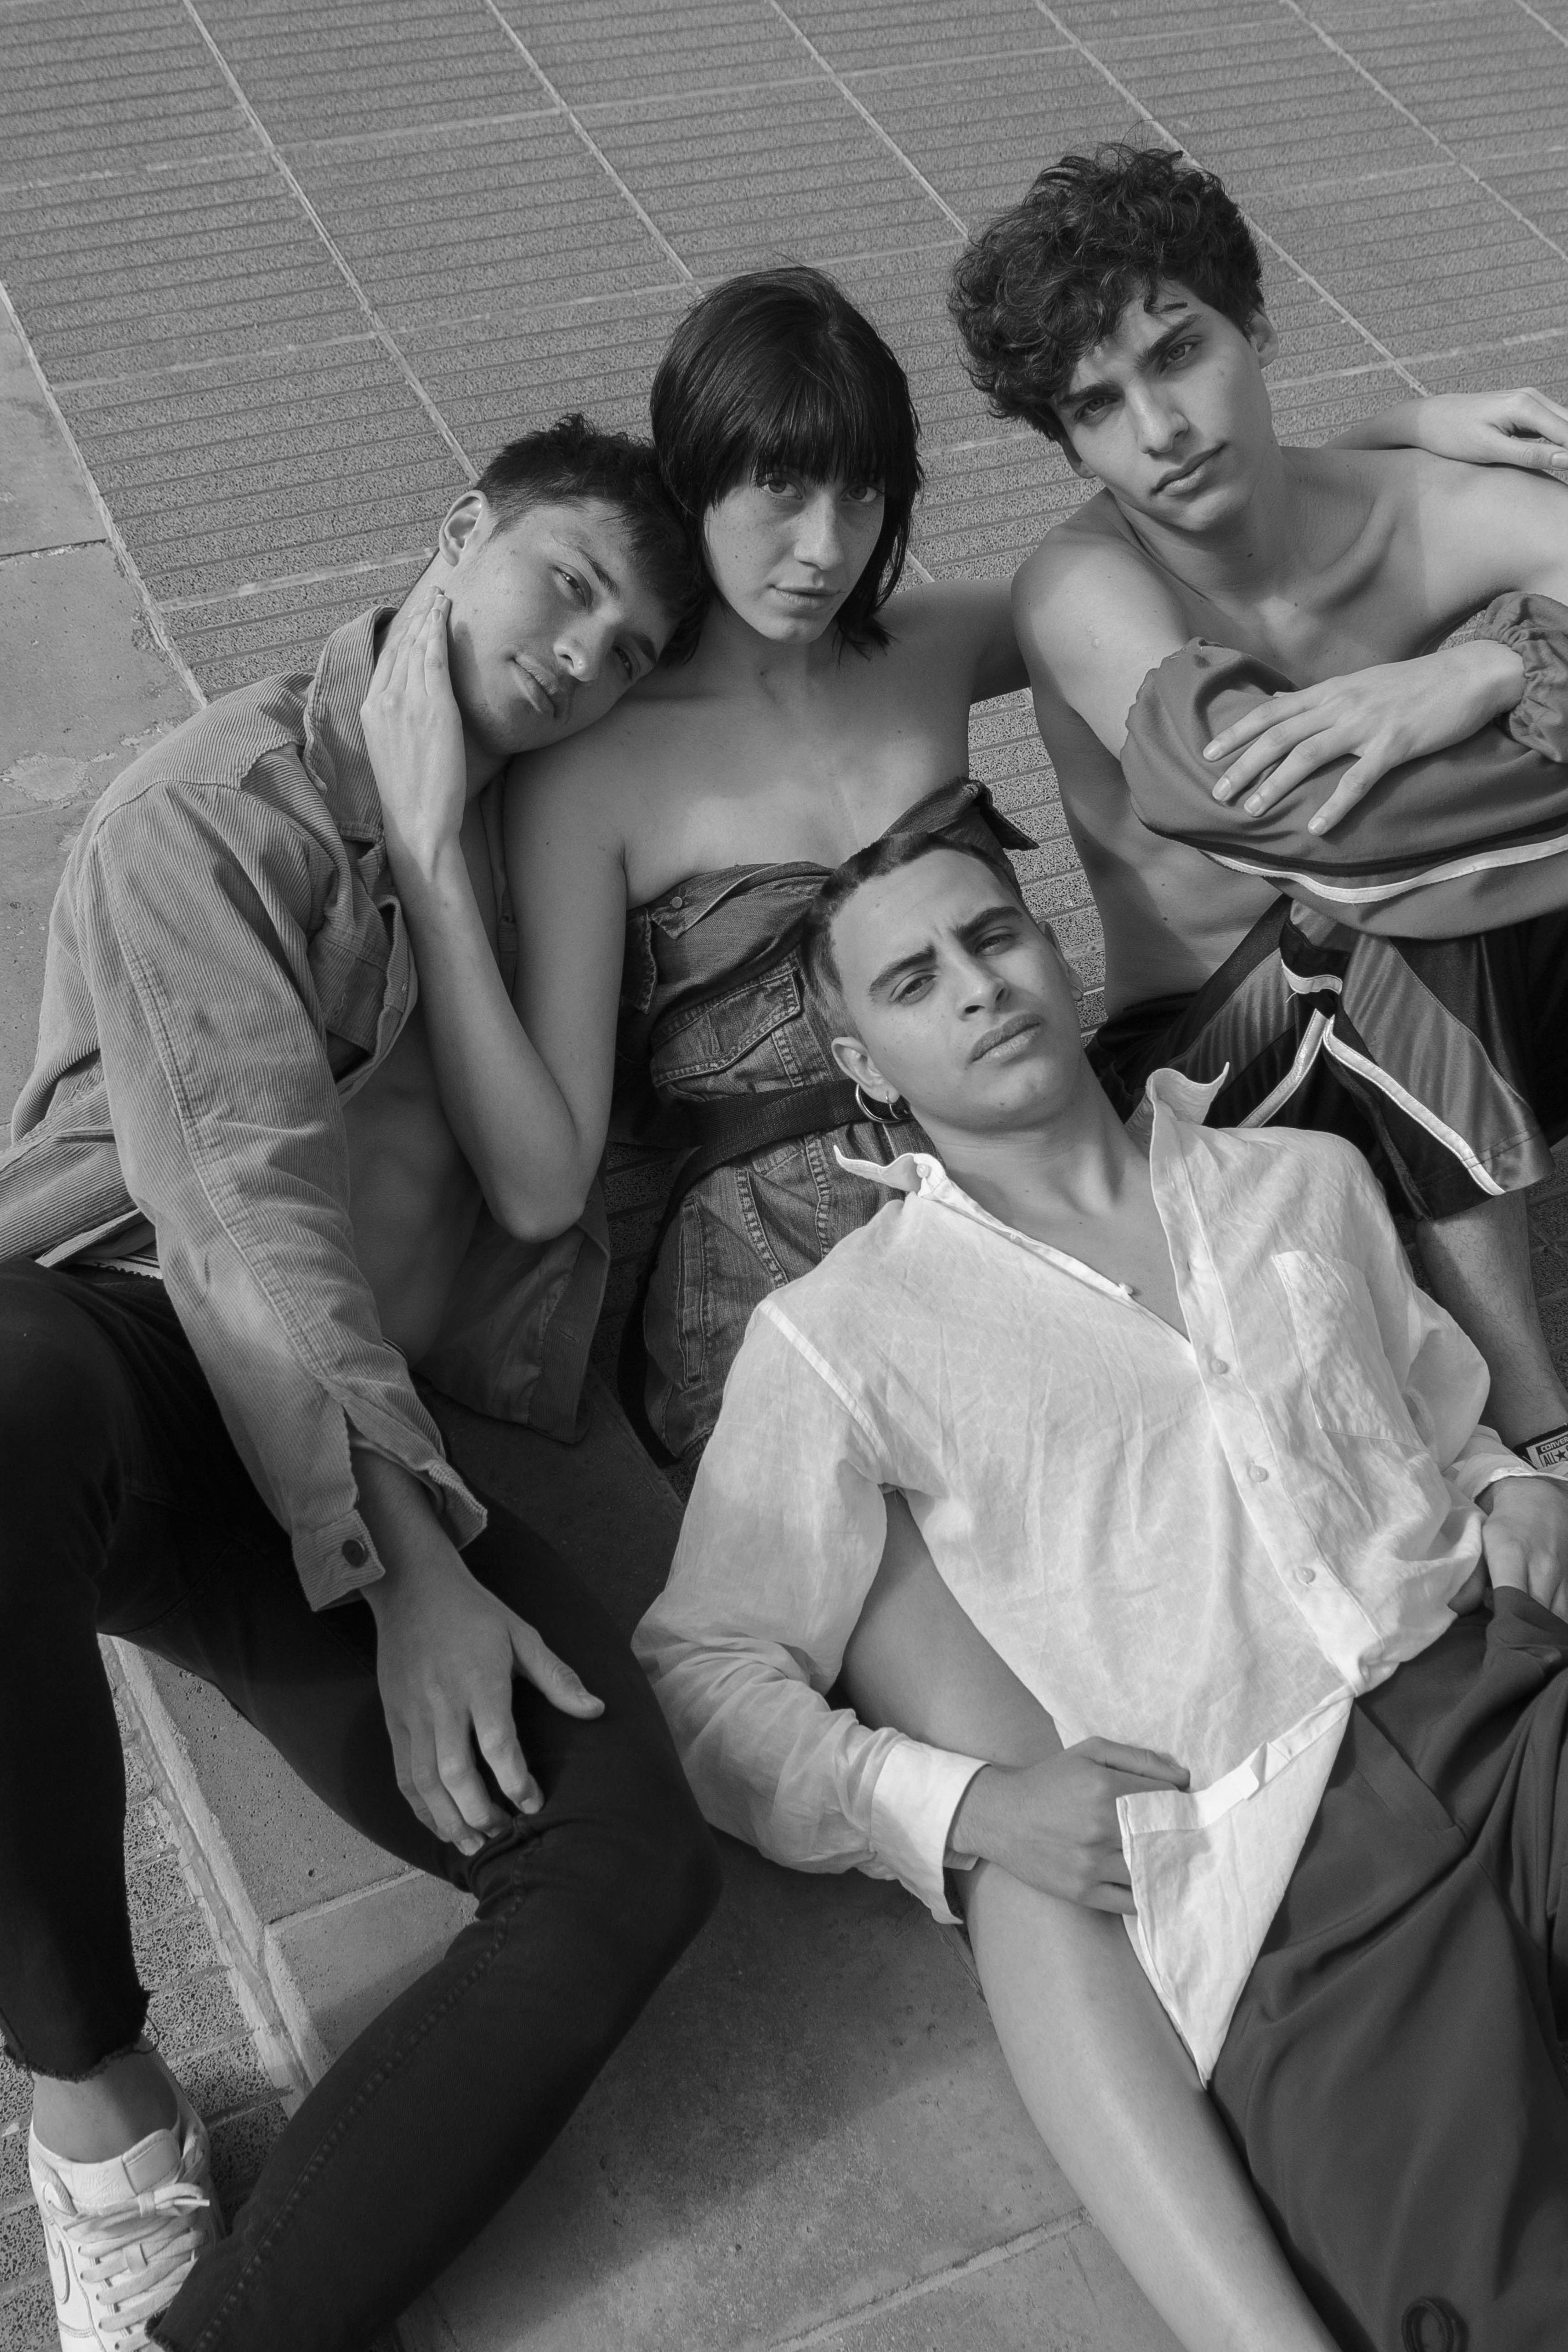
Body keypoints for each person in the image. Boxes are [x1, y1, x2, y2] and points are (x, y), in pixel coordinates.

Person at [360, 266, 1568, 2352]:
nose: (819, 549)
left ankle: (1514, 1530)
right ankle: (1261, 2200)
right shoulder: (598, 770)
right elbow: (550, 1173)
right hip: (769, 1241)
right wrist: (422, 843)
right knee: (1072, 1796)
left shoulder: (934, 638)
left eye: (857, 495)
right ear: (695, 483)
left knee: (1339, 1153)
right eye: (769, 497)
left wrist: (1426, 426)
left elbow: (1174, 501)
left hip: (1036, 1130)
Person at [637, 832, 1568, 2352]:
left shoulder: (1303, 1178)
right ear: (866, 1065)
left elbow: (1433, 1411)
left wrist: (1507, 1482)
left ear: (1058, 959)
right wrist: (949, 1810)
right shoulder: (841, 1334)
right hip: (1277, 1885)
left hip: (1506, 1703)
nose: (977, 988)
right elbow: (706, 1671)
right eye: (914, 980)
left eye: (993, 939)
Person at [0, 417, 720, 2352]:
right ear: (459, 528)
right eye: (566, 583)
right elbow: (239, 1210)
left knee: (631, 1854)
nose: (587, 653)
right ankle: (98, 2116)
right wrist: (415, 1570)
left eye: (636, 640)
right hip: (135, 1352)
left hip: (352, 1435)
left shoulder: (545, 830)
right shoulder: (213, 801)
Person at [949, 141, 1568, 1474]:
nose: (1159, 433)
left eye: (1177, 355)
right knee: (1371, 907)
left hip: (1441, 993)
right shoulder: (1083, 594)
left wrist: (1490, 665)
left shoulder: (1414, 507)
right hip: (1207, 1066)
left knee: (1422, 874)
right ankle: (1540, 1427)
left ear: (1257, 328)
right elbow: (1327, 837)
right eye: (1097, 406)